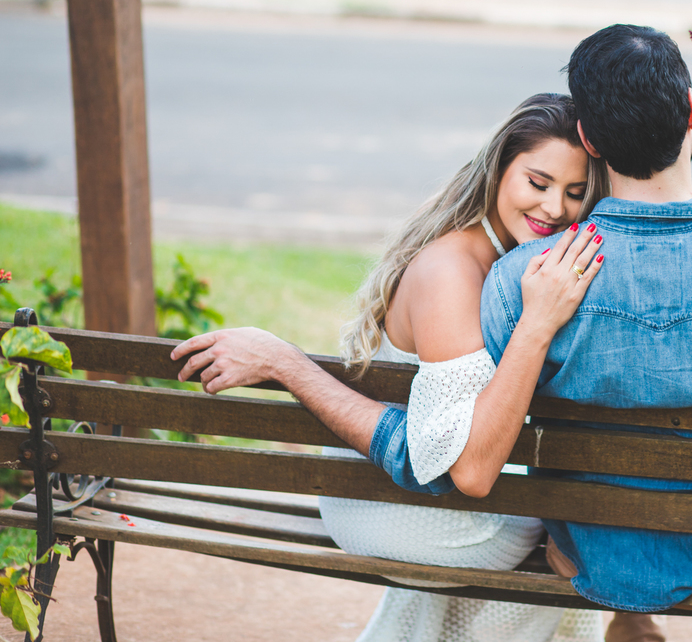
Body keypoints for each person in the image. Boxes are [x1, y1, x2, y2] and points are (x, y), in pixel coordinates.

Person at [174, 25, 692, 642]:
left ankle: (641, 616)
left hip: (592, 556)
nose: (553, 205)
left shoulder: (519, 278)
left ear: (590, 145)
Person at [176, 94, 609, 642]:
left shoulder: (502, 255)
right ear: (500, 171)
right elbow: (464, 472)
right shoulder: (452, 272)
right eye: (538, 183)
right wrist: (285, 361)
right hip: (401, 514)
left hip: (378, 493)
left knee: (573, 513)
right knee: (579, 535)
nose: (553, 208)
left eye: (575, 194)